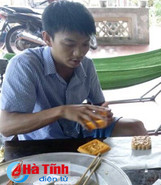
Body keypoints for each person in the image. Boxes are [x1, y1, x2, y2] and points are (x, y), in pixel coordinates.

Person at [0, 1, 148, 140]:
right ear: (47, 38)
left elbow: (98, 105)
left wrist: (102, 115)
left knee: (135, 127)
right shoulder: (25, 66)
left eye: (85, 44)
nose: (79, 53)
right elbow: (6, 126)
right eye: (69, 44)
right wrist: (62, 111)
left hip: (79, 133)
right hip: (42, 142)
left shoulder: (86, 65)